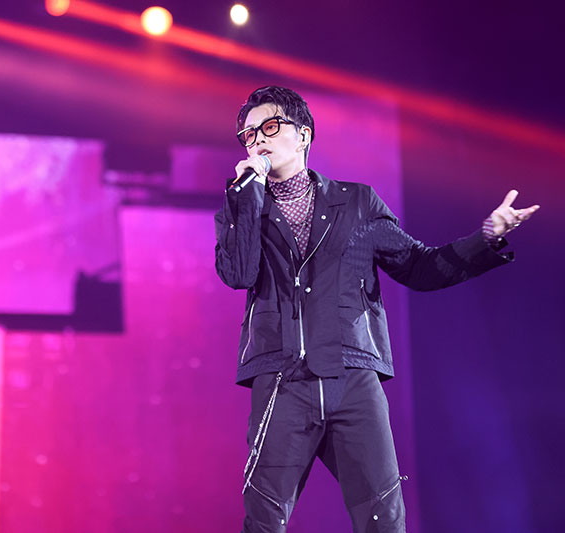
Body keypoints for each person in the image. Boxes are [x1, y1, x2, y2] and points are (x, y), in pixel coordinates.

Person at [213, 86, 539, 533]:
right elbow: (237, 273)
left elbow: (421, 267)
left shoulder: (357, 203)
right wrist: (244, 200)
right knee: (264, 519)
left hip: (352, 377)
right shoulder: (242, 205)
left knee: (384, 519)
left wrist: (486, 237)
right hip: (281, 381)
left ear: (303, 134)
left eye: (269, 127)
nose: (257, 141)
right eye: (248, 135)